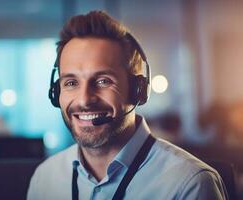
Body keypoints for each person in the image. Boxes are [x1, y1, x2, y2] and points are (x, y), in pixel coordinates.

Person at [27, 11, 228, 199]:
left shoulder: (189, 184)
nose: (84, 100)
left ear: (137, 90)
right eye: (71, 83)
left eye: (103, 81)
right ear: (56, 92)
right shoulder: (45, 178)